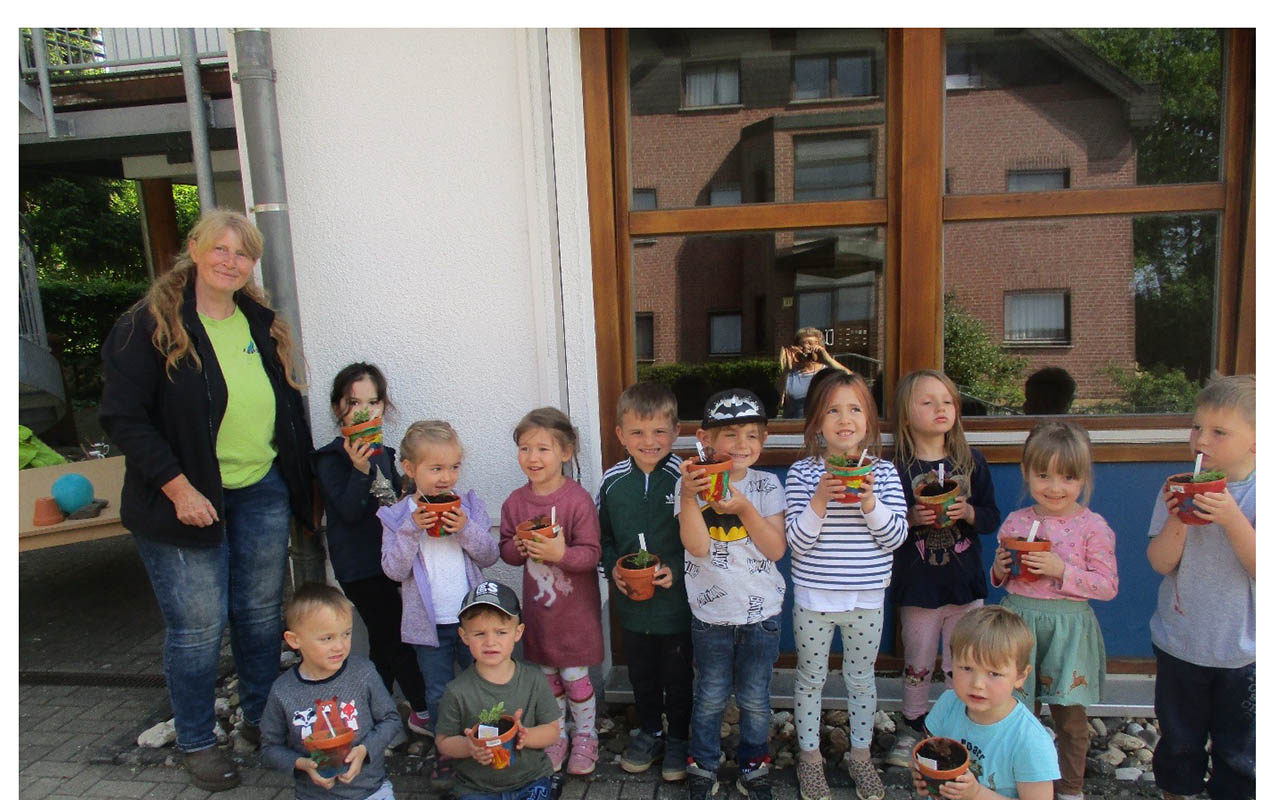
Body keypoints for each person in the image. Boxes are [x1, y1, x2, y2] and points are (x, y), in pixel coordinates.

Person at [99, 209, 314, 792]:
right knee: (197, 628)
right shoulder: (148, 325)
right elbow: (123, 417)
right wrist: (178, 486)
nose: (229, 260)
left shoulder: (259, 321)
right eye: (218, 248)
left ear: (252, 265)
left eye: (242, 253)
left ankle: (258, 723)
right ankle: (196, 740)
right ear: (193, 249)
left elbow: (285, 407)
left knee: (259, 615)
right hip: (182, 498)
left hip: (260, 489)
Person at [785, 372, 907, 800]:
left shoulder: (886, 474)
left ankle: (860, 755)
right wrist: (820, 498)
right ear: (816, 421)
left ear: (870, 421)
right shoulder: (802, 474)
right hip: (814, 599)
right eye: (832, 410)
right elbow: (796, 542)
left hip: (867, 599)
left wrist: (869, 501)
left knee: (861, 679)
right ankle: (810, 759)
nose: (844, 419)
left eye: (855, 409)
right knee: (810, 678)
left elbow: (896, 537)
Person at [990, 421, 1118, 800]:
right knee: (1015, 710)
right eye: (1043, 474)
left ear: (1084, 478)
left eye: (1067, 477)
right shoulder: (1017, 522)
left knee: (1071, 717)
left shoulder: (1093, 527)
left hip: (1069, 630)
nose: (1054, 487)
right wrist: (999, 568)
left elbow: (1108, 586)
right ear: (1026, 473)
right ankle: (1017, 782)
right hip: (1019, 624)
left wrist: (1062, 570)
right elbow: (1001, 576)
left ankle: (1070, 788)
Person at [1146, 375, 1255, 800]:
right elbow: (1160, 563)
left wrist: (1229, 517)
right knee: (1179, 744)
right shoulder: (1173, 487)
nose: (1200, 440)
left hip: (1245, 653)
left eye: (1219, 432)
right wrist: (1179, 515)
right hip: (1181, 644)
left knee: (1241, 752)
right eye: (1196, 427)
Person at [675, 389, 787, 800]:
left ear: (764, 440)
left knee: (756, 698)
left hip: (762, 615)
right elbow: (698, 546)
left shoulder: (767, 485)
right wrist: (690, 496)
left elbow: (775, 549)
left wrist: (743, 509)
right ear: (705, 439)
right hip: (711, 615)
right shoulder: (690, 482)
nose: (743, 445)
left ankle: (753, 765)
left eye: (753, 435)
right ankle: (703, 764)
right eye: (731, 434)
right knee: (709, 695)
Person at [886, 370, 1000, 767]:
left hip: (965, 584)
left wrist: (968, 510)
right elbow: (884, 527)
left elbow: (991, 516)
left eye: (947, 401)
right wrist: (912, 518)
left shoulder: (970, 462)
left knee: (964, 662)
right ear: (905, 414)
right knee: (917, 660)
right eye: (928, 402)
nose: (940, 409)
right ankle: (912, 727)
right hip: (917, 586)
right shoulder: (894, 467)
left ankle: (958, 730)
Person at [312, 363, 430, 735]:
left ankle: (369, 717)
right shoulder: (330, 458)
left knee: (383, 642)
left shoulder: (385, 452)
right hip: (359, 565)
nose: (365, 411)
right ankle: (423, 712)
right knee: (395, 638)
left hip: (389, 562)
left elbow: (392, 506)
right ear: (338, 409)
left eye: (373, 401)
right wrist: (358, 469)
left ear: (383, 407)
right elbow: (346, 511)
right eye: (353, 402)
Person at [378, 420, 499, 780]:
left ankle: (491, 743)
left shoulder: (469, 506)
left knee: (485, 683)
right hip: (429, 627)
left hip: (472, 622)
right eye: (436, 468)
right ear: (410, 469)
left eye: (453, 467)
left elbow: (489, 555)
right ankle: (446, 750)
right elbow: (393, 571)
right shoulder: (396, 517)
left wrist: (464, 528)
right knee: (439, 693)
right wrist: (413, 528)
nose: (446, 477)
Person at [498, 407, 604, 775]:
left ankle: (587, 736)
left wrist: (560, 554)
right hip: (541, 615)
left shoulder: (577, 500)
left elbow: (591, 554)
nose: (533, 457)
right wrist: (520, 548)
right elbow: (506, 550)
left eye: (542, 449)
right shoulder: (515, 502)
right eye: (525, 449)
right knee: (548, 680)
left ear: (565, 451)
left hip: (574, 615)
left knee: (575, 677)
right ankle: (557, 736)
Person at [597, 382, 692, 781]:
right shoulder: (613, 481)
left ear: (676, 431)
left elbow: (704, 537)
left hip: (678, 606)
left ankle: (680, 739)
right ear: (620, 435)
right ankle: (651, 730)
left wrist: (680, 569)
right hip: (632, 608)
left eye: (658, 431)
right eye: (637, 432)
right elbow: (602, 537)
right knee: (641, 673)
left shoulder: (686, 477)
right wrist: (612, 569)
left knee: (679, 675)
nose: (649, 441)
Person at [260, 584, 405, 800]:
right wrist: (301, 764)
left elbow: (391, 719)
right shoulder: (283, 691)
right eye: (327, 638)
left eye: (346, 634)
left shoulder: (363, 673)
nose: (340, 646)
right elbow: (270, 747)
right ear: (294, 640)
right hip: (313, 795)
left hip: (371, 791)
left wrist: (365, 750)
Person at [909, 605, 1059, 799]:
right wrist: (925, 778)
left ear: (1021, 675)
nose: (978, 684)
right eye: (966, 668)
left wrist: (977, 793)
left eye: (994, 673)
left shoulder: (1030, 741)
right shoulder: (948, 703)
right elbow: (930, 754)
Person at [435, 581, 562, 800]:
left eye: (501, 631)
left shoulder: (534, 680)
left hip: (530, 779)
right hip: (477, 786)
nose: (490, 642)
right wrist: (469, 746)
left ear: (518, 632)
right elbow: (443, 741)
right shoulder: (457, 691)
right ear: (464, 636)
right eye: (479, 634)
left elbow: (552, 730)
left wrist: (526, 735)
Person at [779, 328, 851, 418]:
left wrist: (828, 361)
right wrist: (785, 371)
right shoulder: (790, 375)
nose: (806, 348)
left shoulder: (830, 372)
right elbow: (778, 399)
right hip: (795, 427)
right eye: (802, 345)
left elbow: (853, 380)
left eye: (811, 344)